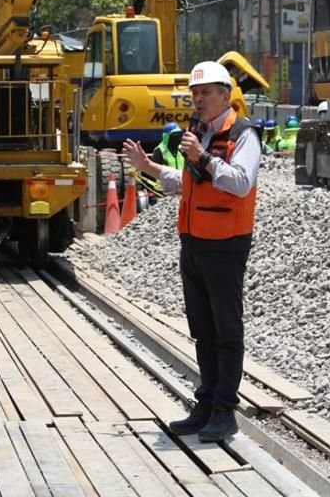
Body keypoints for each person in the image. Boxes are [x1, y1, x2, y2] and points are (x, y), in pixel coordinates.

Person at [122, 60, 261, 443]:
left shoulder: (244, 134)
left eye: (205, 93)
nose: (197, 100)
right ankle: (205, 404)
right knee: (203, 329)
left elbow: (241, 183)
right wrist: (149, 166)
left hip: (226, 244)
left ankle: (224, 410)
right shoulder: (197, 133)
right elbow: (187, 184)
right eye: (194, 94)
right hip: (195, 242)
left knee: (226, 330)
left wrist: (203, 157)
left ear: (225, 95)